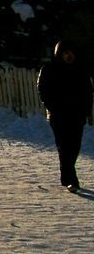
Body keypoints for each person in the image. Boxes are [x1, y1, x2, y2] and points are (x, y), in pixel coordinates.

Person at [37, 39, 94, 192]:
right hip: (58, 115)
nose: (69, 56)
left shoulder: (80, 70)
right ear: (59, 54)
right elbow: (43, 90)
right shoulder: (50, 69)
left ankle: (68, 176)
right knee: (64, 146)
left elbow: (88, 92)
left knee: (74, 146)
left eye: (71, 53)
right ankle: (71, 180)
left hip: (77, 115)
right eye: (65, 53)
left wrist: (86, 110)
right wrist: (52, 107)